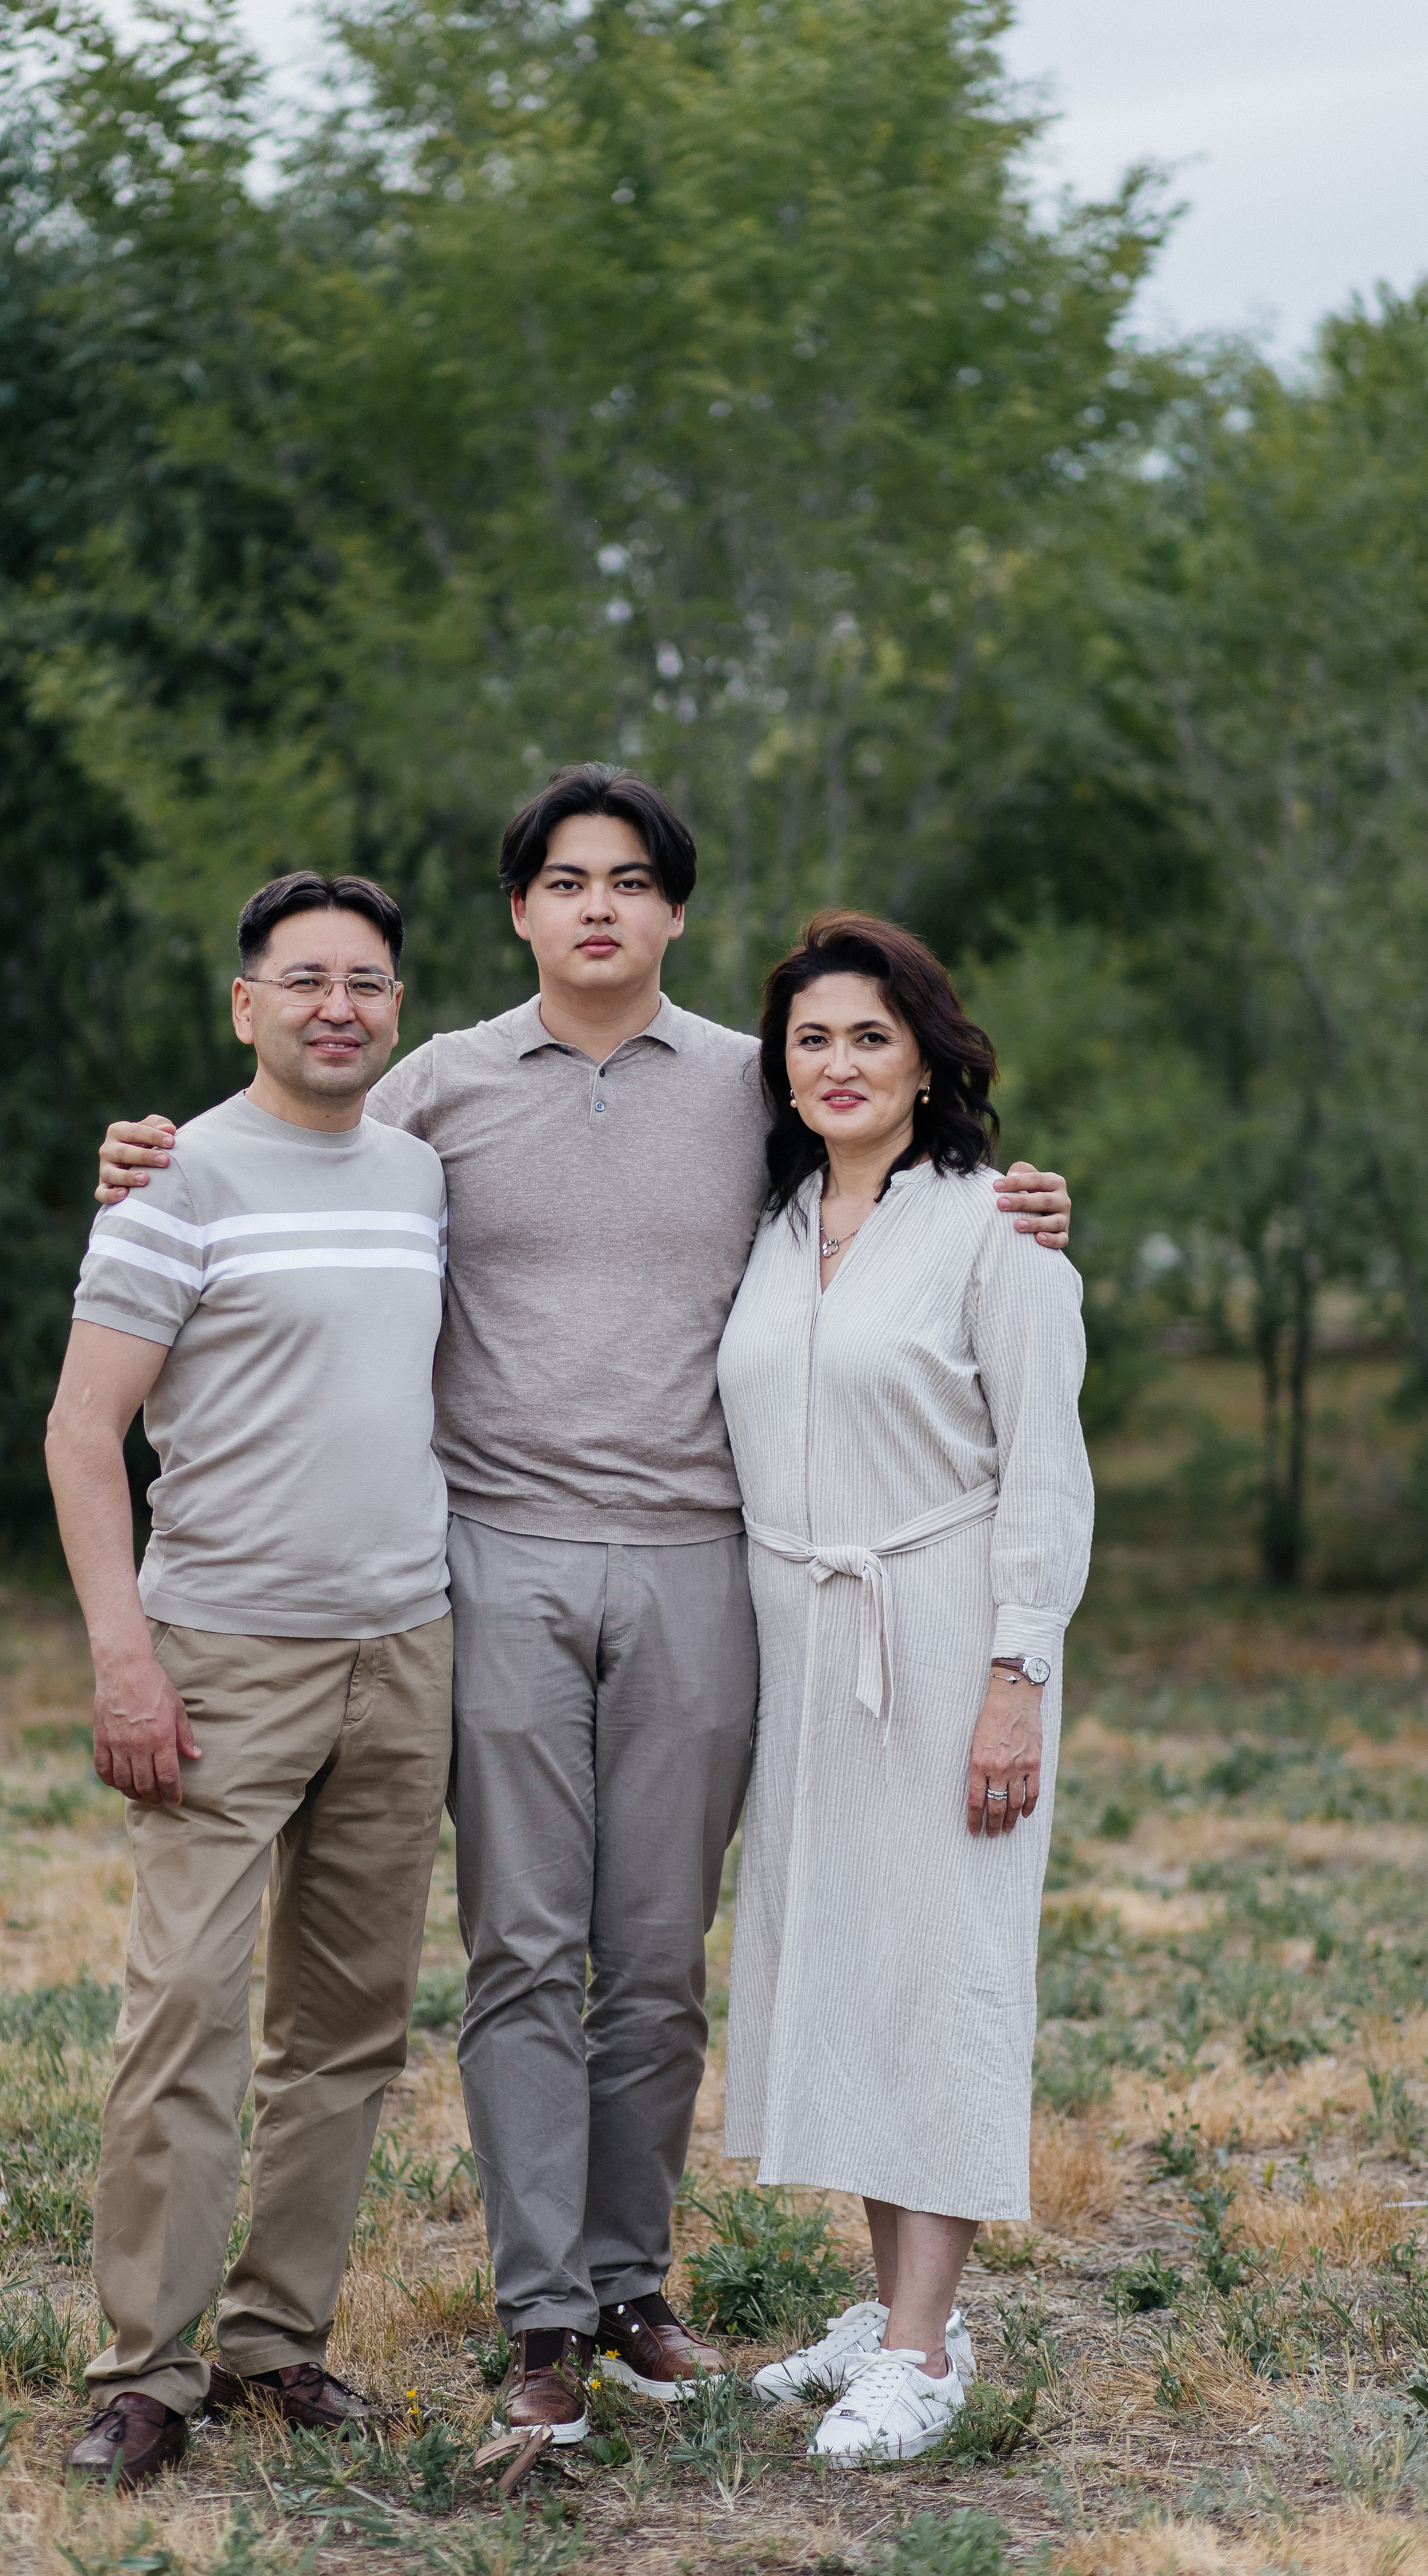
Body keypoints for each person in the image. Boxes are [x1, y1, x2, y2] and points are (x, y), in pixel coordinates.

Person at [94, 767, 1076, 2445]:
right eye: (565, 880)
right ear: (519, 909)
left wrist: (1020, 1201)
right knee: (522, 1952)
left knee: (655, 1961)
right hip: (495, 1556)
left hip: (706, 1562)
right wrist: (153, 1151)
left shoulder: (747, 1083)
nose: (599, 906)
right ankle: (538, 2318)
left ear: (676, 912)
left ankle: (631, 2294)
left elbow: (880, 1178)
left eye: (632, 880)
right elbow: (295, 1128)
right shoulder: (440, 1082)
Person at [45, 871, 453, 2490]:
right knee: (189, 2011)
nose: (336, 1006)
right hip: (220, 1650)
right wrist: (124, 1662)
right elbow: (82, 1437)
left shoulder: (421, 1174)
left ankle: (278, 2346)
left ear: (396, 1012)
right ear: (246, 1006)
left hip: (403, 1646)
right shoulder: (175, 1179)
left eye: (365, 982)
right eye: (303, 980)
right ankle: (145, 2369)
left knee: (348, 2026)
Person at [715, 910, 1094, 2465]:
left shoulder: (994, 1227)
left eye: (869, 1034)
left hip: (944, 1633)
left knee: (937, 1970)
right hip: (799, 1633)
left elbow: (1045, 1472)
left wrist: (1015, 1674)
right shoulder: (776, 1221)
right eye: (811, 1037)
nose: (838, 1062)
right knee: (848, 1967)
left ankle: (927, 2350)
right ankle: (880, 2308)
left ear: (927, 1054)